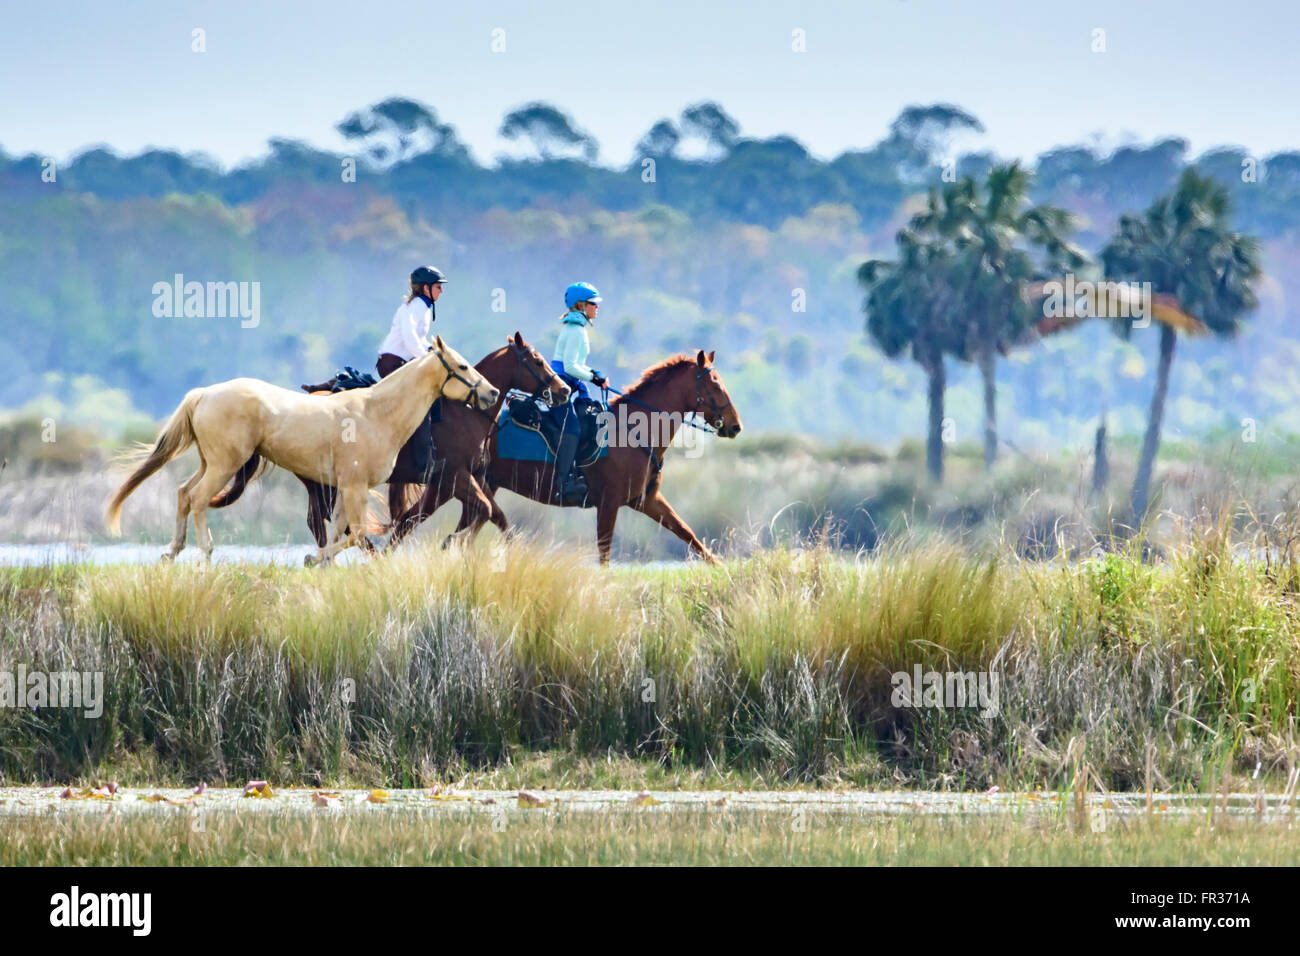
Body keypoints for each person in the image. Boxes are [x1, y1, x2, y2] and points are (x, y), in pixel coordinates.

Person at [376, 265, 446, 477]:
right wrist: (428, 357)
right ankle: (424, 464)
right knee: (420, 405)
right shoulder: (417, 306)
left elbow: (416, 339)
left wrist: (431, 350)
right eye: (438, 287)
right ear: (426, 288)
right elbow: (409, 338)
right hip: (393, 363)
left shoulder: (421, 306)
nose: (441, 291)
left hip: (400, 361)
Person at [549, 281, 608, 504]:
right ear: (581, 306)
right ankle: (564, 483)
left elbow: (576, 366)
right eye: (594, 303)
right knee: (572, 428)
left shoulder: (577, 328)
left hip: (569, 384)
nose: (598, 307)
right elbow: (571, 366)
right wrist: (594, 377)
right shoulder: (575, 330)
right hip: (560, 387)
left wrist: (593, 373)